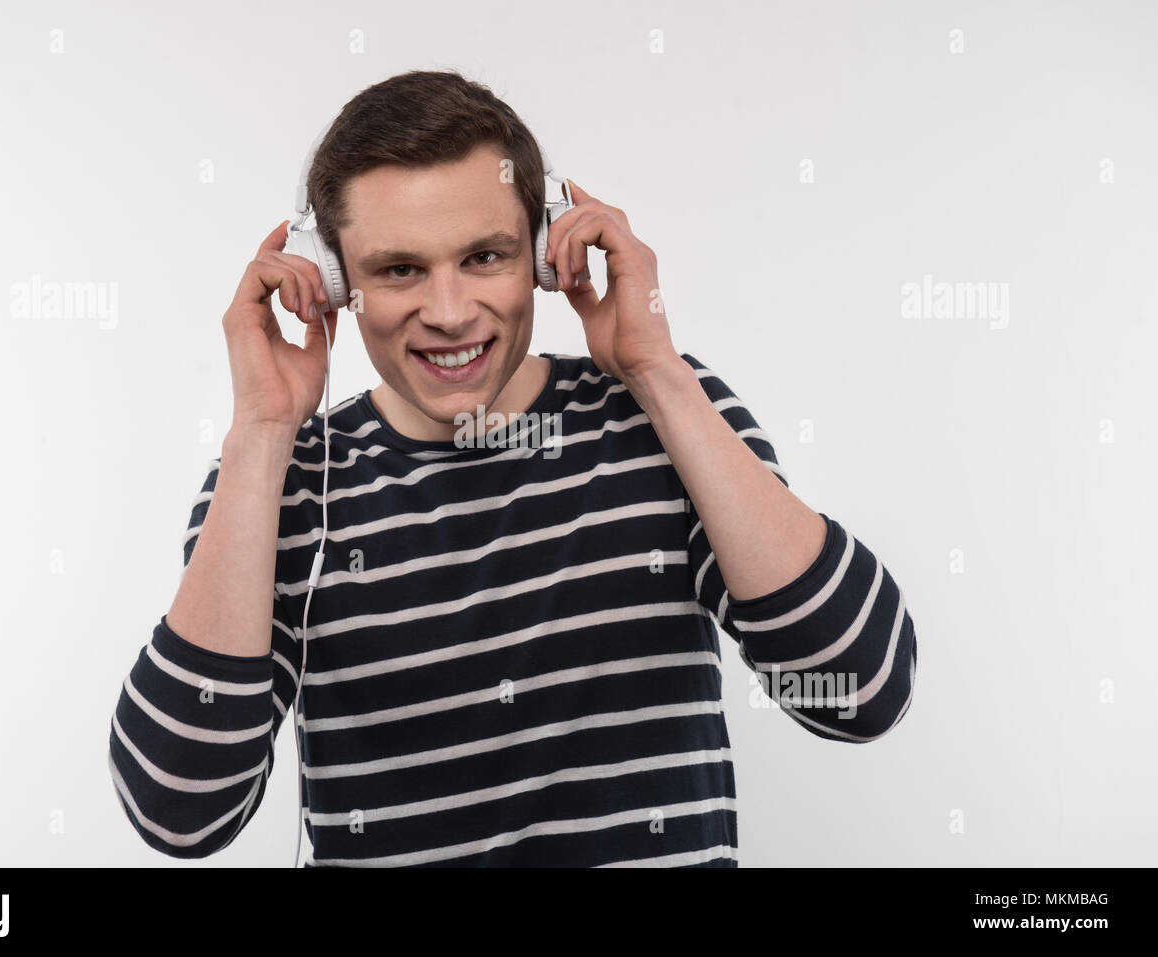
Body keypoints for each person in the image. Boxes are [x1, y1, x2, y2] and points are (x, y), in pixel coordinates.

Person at [107, 69, 917, 867]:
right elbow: (180, 808)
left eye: (485, 256)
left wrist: (656, 369)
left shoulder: (663, 414)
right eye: (400, 269)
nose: (451, 311)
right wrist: (262, 428)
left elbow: (861, 687)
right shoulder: (280, 480)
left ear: (541, 253)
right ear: (331, 281)